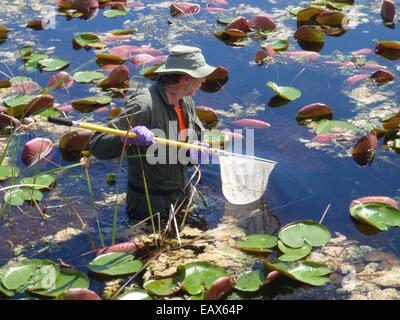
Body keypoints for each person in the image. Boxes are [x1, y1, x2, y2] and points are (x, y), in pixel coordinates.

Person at [89, 45, 216, 220]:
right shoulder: (144, 105)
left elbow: (196, 135)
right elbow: (97, 144)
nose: (203, 81)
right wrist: (126, 138)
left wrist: (197, 147)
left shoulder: (186, 100)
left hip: (181, 192)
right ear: (186, 78)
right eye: (200, 76)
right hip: (148, 204)